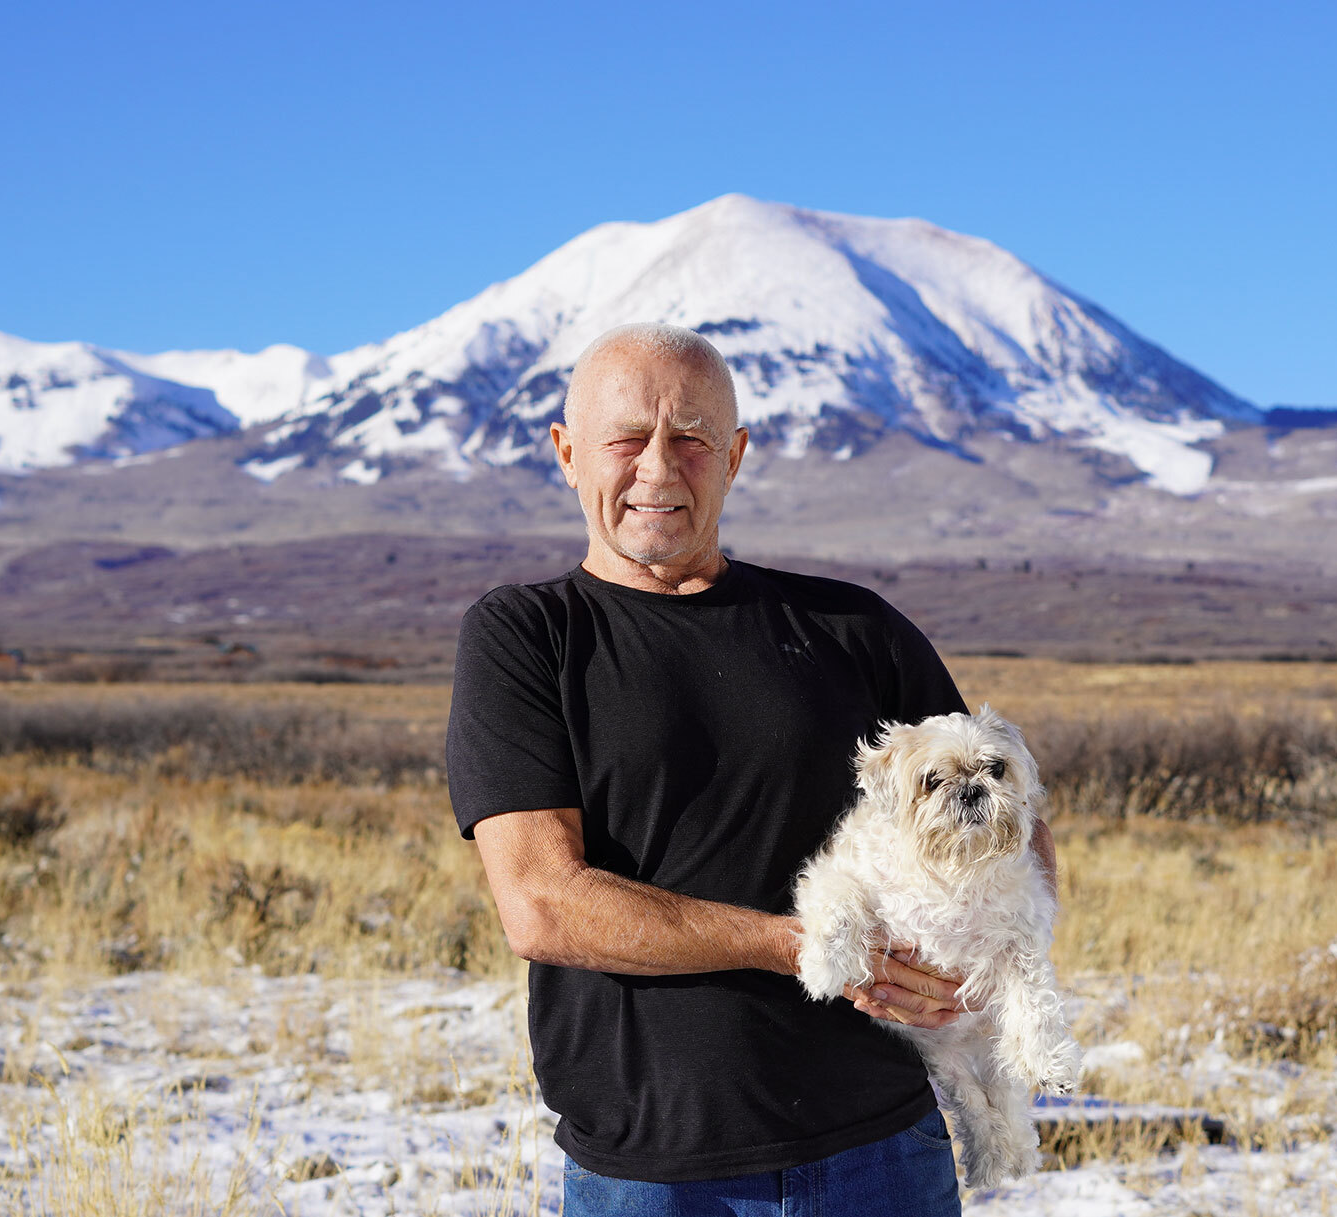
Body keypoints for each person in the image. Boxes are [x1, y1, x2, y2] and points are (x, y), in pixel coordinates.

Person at [446, 323, 1055, 1216]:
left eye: (692, 437)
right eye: (626, 438)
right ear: (567, 453)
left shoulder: (856, 630)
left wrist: (991, 962)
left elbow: (1010, 806)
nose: (659, 466)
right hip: (652, 1170)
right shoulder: (527, 639)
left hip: (882, 1149)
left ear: (734, 456)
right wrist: (801, 945)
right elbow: (541, 902)